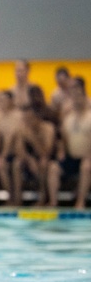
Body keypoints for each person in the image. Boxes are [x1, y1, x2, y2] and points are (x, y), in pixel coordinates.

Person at [47, 77, 90, 208]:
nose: (76, 100)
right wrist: (61, 151)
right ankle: (53, 202)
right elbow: (63, 139)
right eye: (74, 97)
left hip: (87, 158)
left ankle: (80, 201)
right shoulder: (68, 118)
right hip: (71, 158)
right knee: (53, 168)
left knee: (86, 166)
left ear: (84, 98)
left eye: (79, 96)